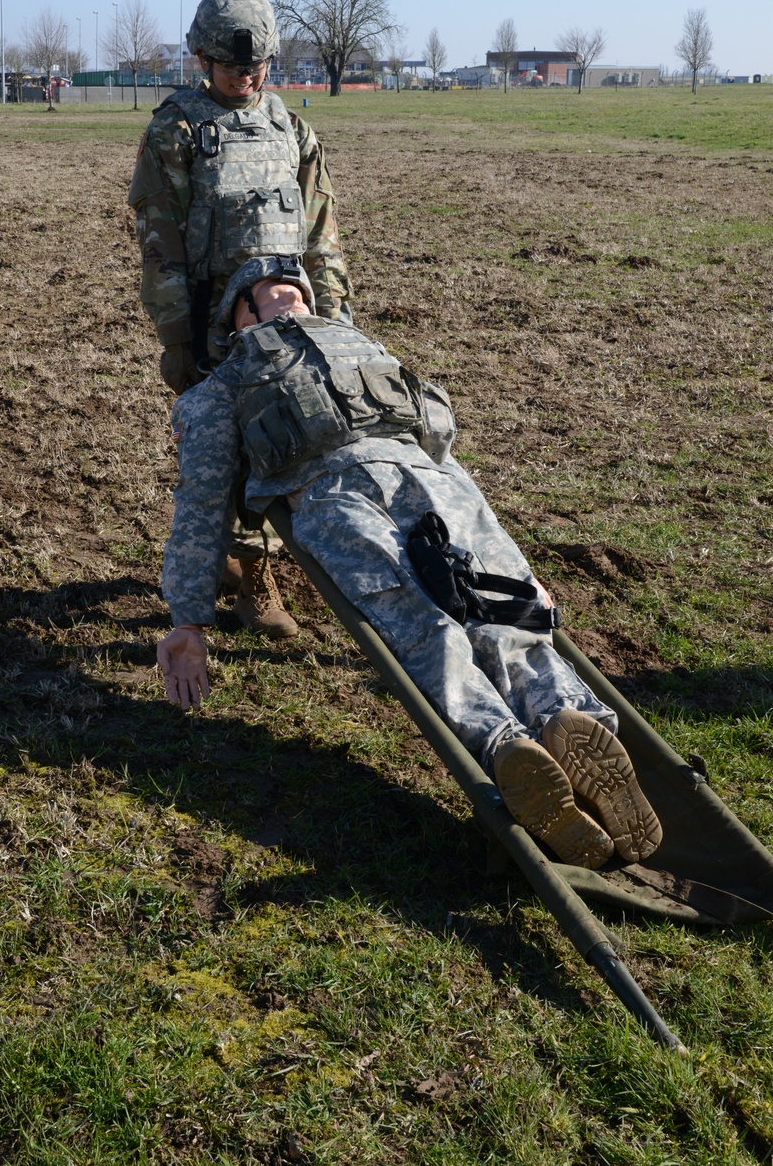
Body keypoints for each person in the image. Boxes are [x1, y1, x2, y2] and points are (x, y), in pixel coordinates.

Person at [155, 256, 662, 870]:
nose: (283, 288)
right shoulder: (225, 383)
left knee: (508, 612)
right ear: (236, 317)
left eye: (293, 284)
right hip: (334, 493)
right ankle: (509, 749)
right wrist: (188, 619)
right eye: (262, 289)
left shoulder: (364, 344)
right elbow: (203, 498)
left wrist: (520, 565)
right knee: (424, 627)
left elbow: (439, 430)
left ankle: (569, 725)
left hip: (437, 484)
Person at [128, 0, 353, 642]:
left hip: (290, 324)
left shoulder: (294, 130)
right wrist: (179, 342)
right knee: (227, 452)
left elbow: (322, 237)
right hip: (212, 328)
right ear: (203, 58)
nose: (247, 77)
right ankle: (251, 575)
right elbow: (159, 249)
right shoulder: (177, 131)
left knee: (280, 444)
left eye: (257, 68)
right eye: (232, 67)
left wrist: (335, 329)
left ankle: (246, 562)